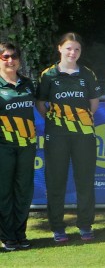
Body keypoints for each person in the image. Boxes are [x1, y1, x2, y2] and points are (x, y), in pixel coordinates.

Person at [36, 33, 101, 243]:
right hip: (57, 135)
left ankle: (85, 225)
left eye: (77, 49)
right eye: (69, 48)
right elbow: (40, 104)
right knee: (56, 182)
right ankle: (57, 227)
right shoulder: (48, 75)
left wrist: (80, 122)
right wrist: (57, 121)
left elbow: (94, 103)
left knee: (85, 180)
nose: (73, 53)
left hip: (84, 135)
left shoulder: (87, 74)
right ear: (60, 48)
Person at [0, 43, 37, 251]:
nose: (10, 60)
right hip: (3, 148)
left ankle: (21, 233)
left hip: (27, 147)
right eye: (5, 57)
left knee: (23, 192)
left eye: (14, 57)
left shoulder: (28, 84)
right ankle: (7, 236)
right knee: (4, 193)